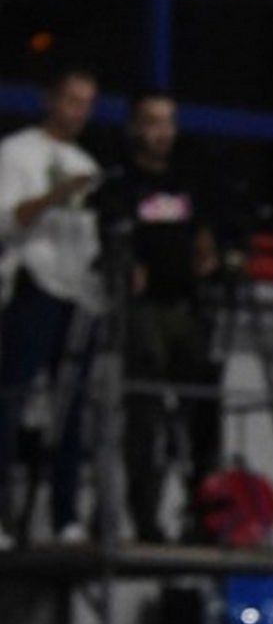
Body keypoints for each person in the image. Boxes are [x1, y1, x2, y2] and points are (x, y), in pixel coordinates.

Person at [91, 92, 224, 544]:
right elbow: (108, 236)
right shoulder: (120, 183)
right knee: (144, 415)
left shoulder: (188, 181)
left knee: (199, 410)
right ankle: (145, 518)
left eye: (168, 122)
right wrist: (127, 264)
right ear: (134, 127)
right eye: (151, 122)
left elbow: (206, 231)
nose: (161, 132)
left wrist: (208, 250)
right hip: (142, 311)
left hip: (186, 308)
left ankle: (203, 515)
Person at [0, 67, 101, 547]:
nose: (78, 112)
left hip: (75, 294)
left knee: (71, 408)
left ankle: (65, 518)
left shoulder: (86, 163)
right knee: (12, 400)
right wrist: (55, 195)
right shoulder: (16, 152)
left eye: (87, 104)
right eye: (71, 100)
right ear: (50, 99)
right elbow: (7, 220)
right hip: (30, 287)